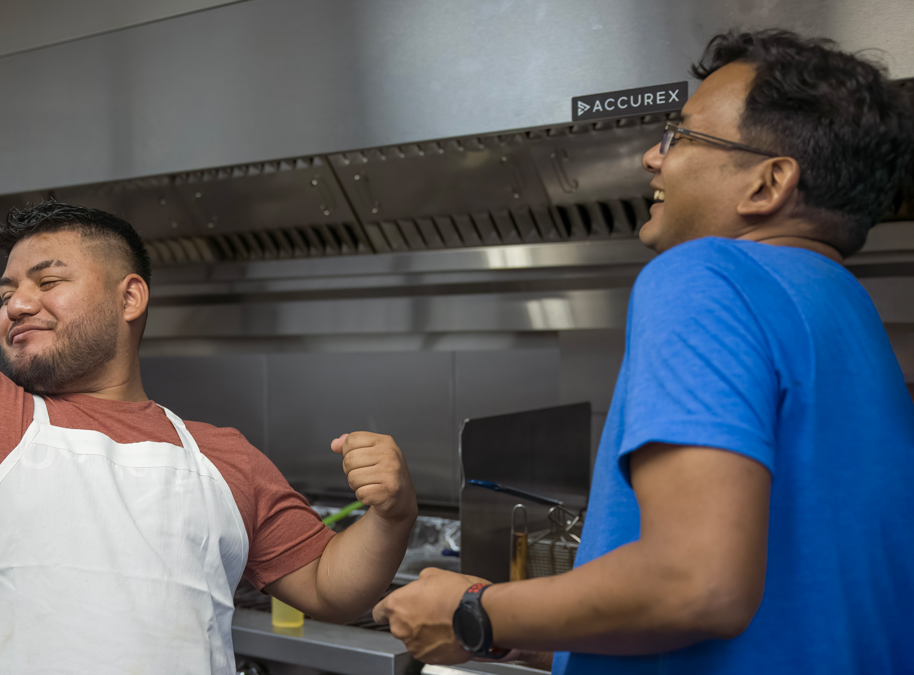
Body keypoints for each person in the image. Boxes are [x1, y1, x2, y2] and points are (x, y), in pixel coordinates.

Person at [373, 29, 914, 674]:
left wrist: (475, 612)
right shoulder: (847, 313)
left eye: (682, 136)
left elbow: (696, 585)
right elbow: (800, 600)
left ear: (767, 185)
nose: (652, 159)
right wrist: (542, 637)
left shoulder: (704, 274)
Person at [0, 166, 419, 673]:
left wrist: (393, 514)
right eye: (7, 292)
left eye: (47, 280)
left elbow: (332, 588)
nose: (17, 305)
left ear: (130, 298)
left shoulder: (222, 456)